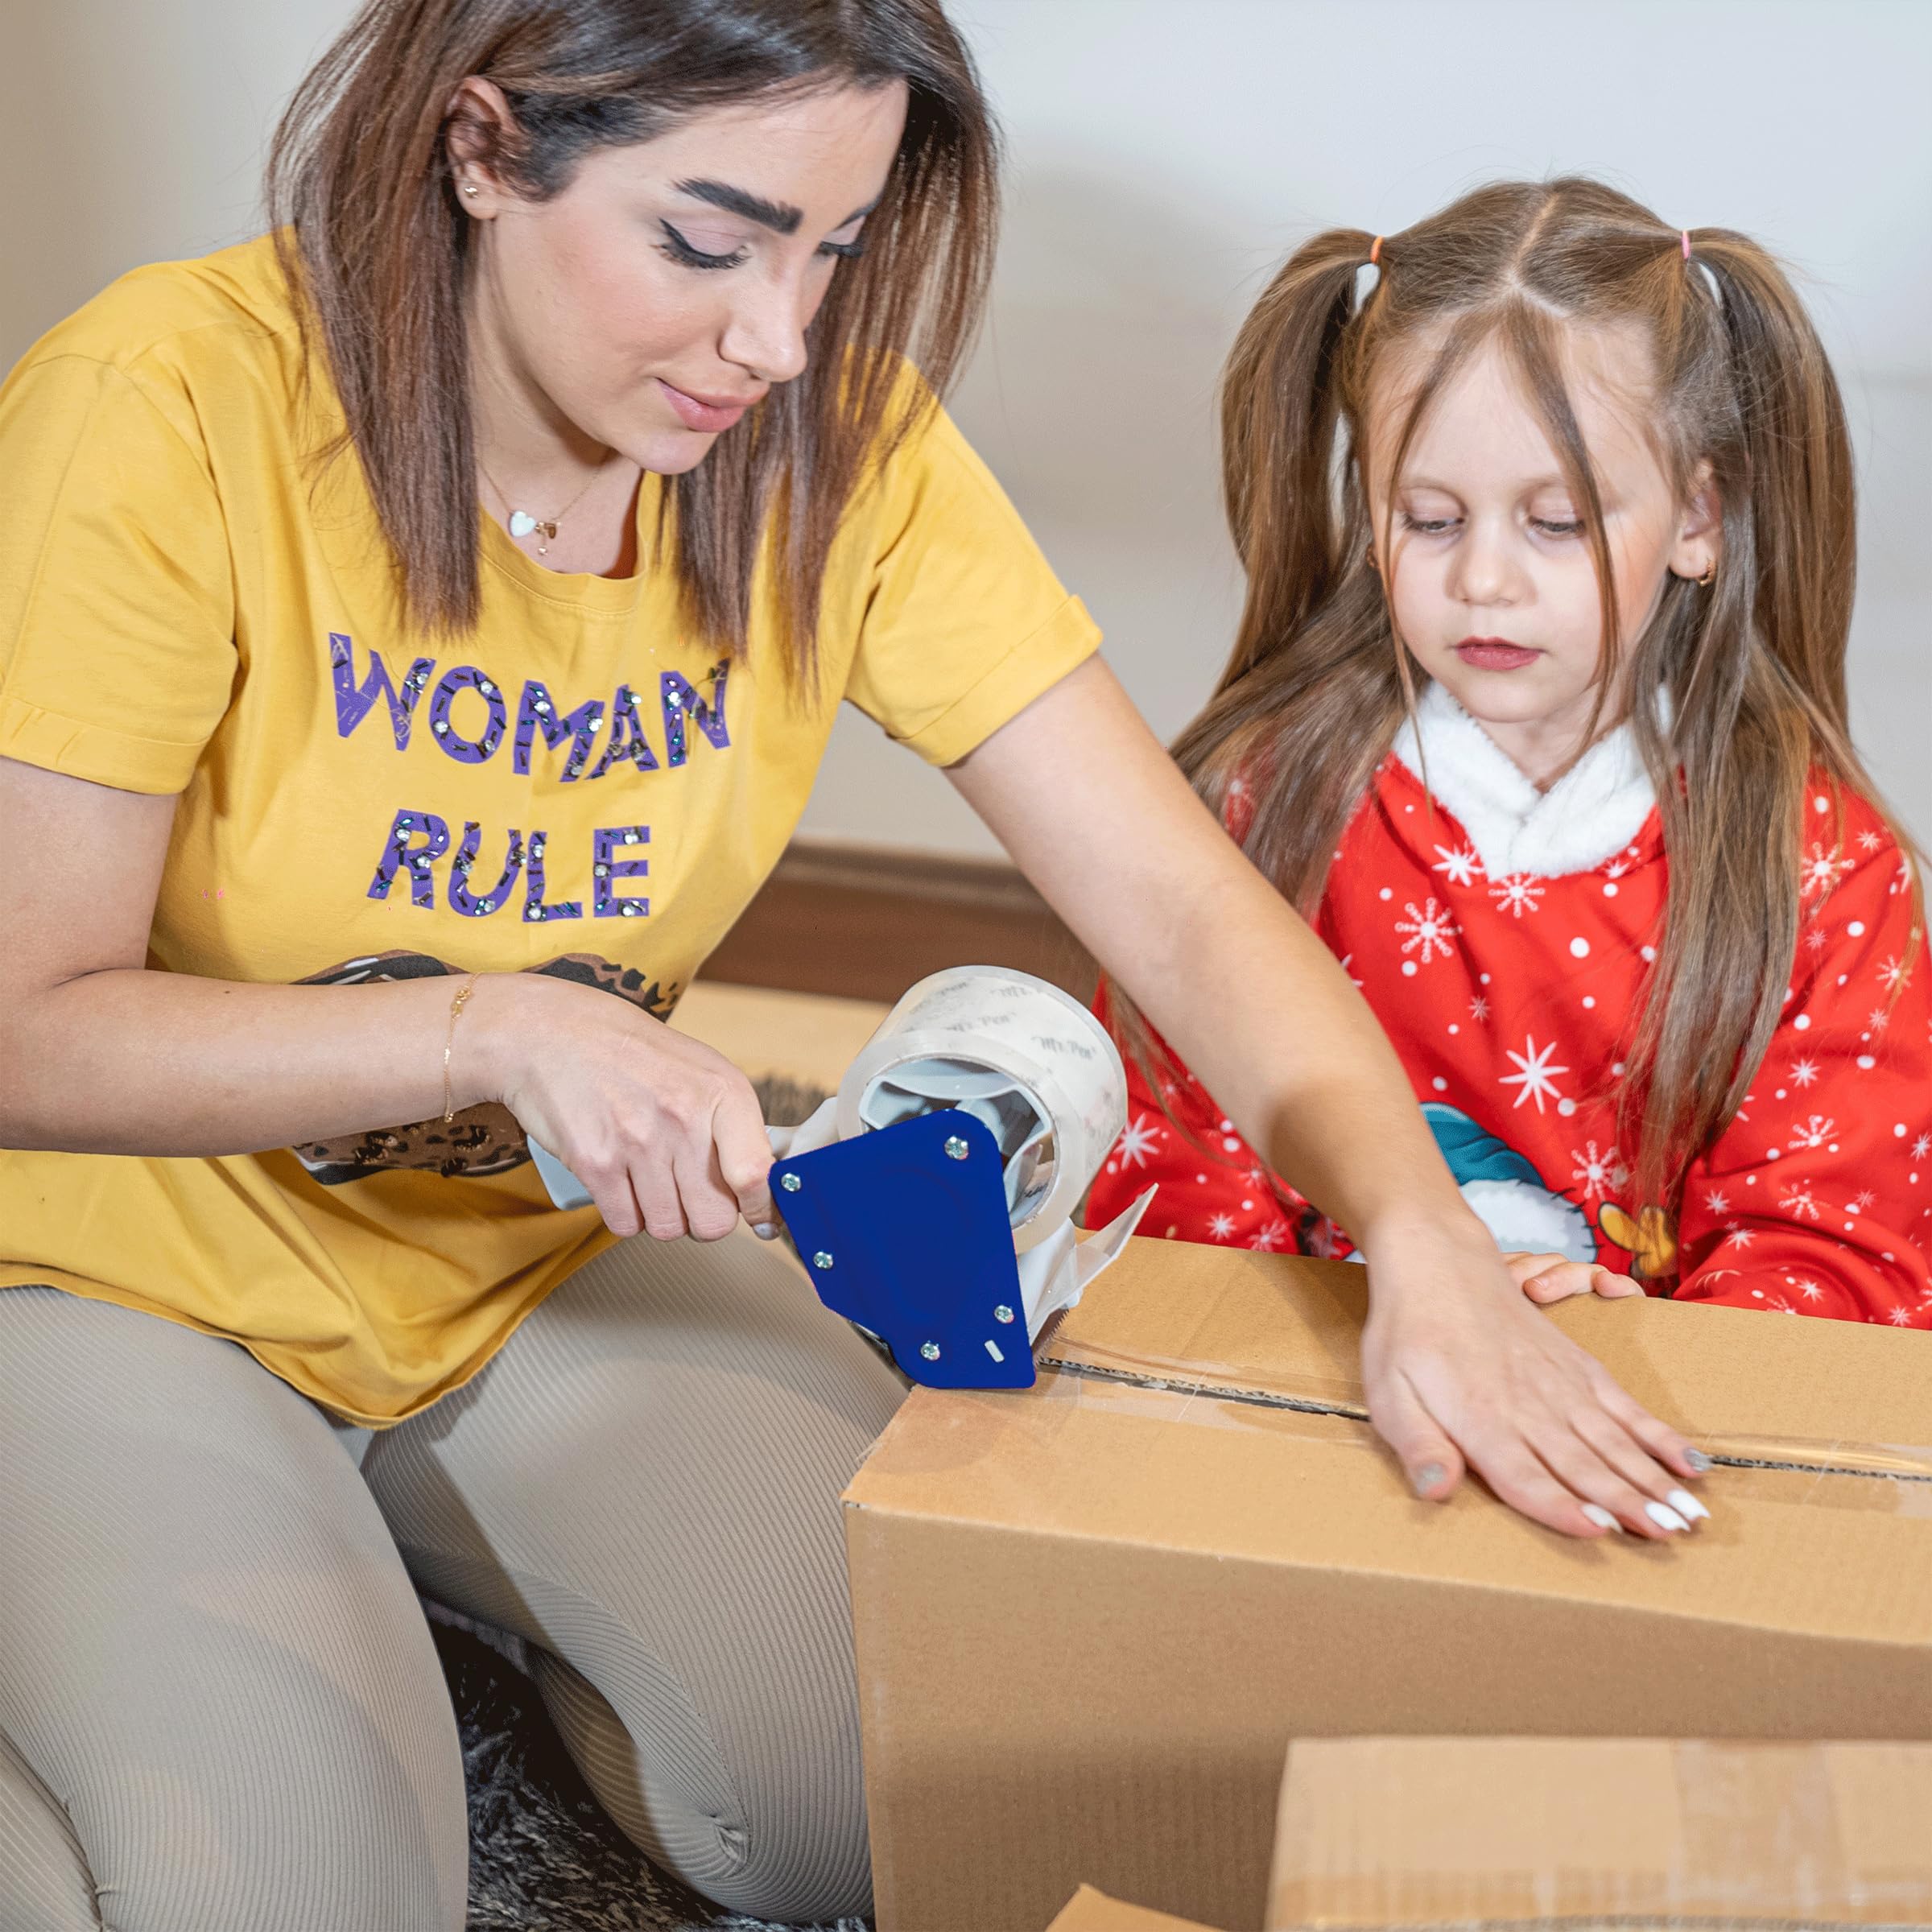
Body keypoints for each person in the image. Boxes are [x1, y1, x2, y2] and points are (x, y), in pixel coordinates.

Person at [0, 6, 1703, 1918]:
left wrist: (1421, 1238)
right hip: (110, 1273)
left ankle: (391, 1583)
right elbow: (24, 1030)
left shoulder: (837, 450)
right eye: (711, 242)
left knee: (908, 1785)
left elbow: (1183, 904)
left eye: (835, 247)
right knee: (280, 1886)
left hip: (526, 1269)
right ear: (483, 150)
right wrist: (493, 1025)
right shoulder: (162, 404)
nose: (779, 339)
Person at [1088, 179, 1930, 1346]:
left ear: (1696, 519)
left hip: (1663, 1432)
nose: (1486, 579)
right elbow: (1175, 1188)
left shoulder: (1825, 870)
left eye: (1557, 522)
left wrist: (1632, 1355)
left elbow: (1837, 1248)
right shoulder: (1267, 802)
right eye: (1432, 519)